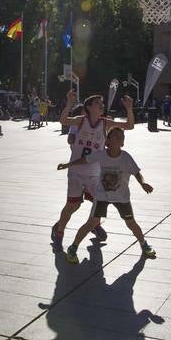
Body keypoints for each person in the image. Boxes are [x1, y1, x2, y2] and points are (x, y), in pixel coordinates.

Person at [57, 127, 156, 264]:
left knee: (131, 223)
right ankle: (73, 248)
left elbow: (136, 172)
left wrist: (143, 183)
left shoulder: (126, 157)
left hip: (122, 197)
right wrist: (68, 164)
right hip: (102, 196)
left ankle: (144, 245)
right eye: (115, 136)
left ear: (123, 143)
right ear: (107, 142)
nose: (119, 138)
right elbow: (84, 160)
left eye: (121, 137)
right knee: (91, 223)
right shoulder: (101, 154)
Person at [51, 90, 134, 249]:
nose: (101, 105)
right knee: (72, 206)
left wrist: (129, 108)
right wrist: (69, 104)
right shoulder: (80, 121)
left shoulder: (105, 123)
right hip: (76, 173)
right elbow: (63, 120)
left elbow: (129, 125)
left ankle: (94, 226)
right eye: (98, 103)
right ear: (89, 107)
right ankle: (59, 233)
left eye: (102, 103)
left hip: (95, 175)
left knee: (100, 204)